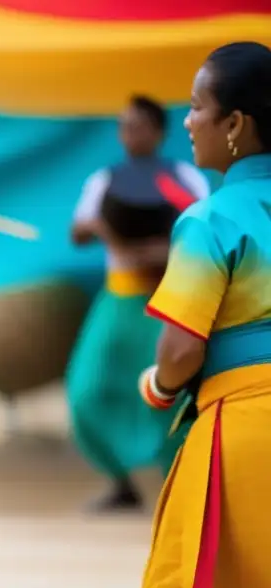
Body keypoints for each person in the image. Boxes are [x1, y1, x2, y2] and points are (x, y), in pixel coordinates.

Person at [136, 41, 271, 588]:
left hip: (243, 430)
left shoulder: (210, 218)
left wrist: (158, 388)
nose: (186, 121)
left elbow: (181, 352)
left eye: (197, 106)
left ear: (236, 127)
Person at [66, 94, 210, 511]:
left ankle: (177, 482)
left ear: (159, 132)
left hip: (166, 300)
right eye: (124, 126)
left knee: (172, 391)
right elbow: (77, 233)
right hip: (118, 299)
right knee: (87, 389)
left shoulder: (183, 177)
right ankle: (121, 484)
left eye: (139, 126)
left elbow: (199, 235)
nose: (130, 134)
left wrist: (159, 252)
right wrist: (98, 226)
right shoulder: (105, 179)